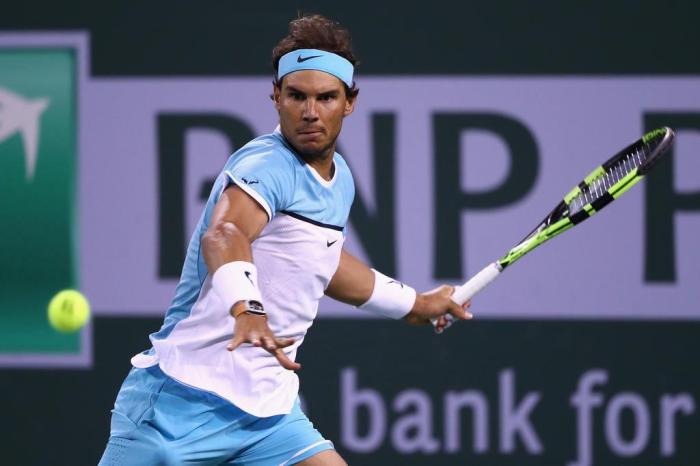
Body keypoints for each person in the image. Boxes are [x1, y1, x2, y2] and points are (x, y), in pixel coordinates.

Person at [99, 14, 471, 466]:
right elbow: (226, 233)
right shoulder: (265, 165)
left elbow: (322, 262)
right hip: (180, 401)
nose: (310, 112)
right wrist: (247, 308)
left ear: (350, 102)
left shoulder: (340, 179)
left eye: (326, 97)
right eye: (296, 96)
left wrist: (414, 303)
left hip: (269, 415)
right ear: (276, 96)